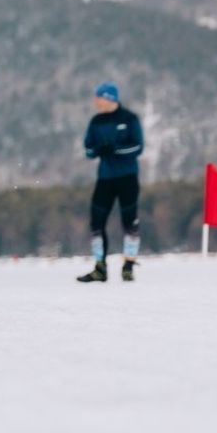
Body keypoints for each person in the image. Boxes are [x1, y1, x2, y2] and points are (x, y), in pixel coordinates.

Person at [77, 81, 143, 283]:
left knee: (129, 223)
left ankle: (128, 266)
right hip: (105, 178)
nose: (95, 101)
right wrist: (98, 150)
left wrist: (115, 149)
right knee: (96, 223)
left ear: (109, 98)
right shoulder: (95, 121)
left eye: (98, 97)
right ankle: (100, 268)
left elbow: (138, 147)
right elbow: (88, 150)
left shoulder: (129, 119)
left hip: (127, 177)